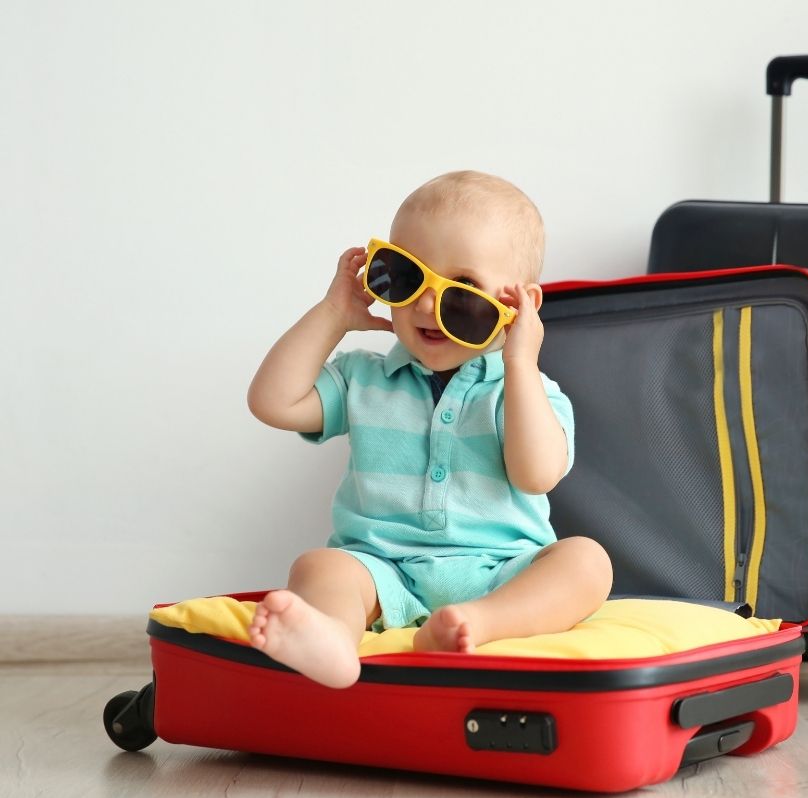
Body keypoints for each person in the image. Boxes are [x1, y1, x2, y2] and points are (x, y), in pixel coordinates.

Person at [246, 170, 613, 688]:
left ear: (519, 308)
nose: (424, 306)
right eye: (406, 276)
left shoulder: (528, 391)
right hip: (382, 568)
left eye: (462, 292)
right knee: (320, 567)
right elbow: (272, 402)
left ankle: (477, 624)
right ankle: (333, 639)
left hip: (503, 572)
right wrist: (333, 314)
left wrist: (521, 364)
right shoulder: (363, 378)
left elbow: (536, 475)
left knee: (587, 562)